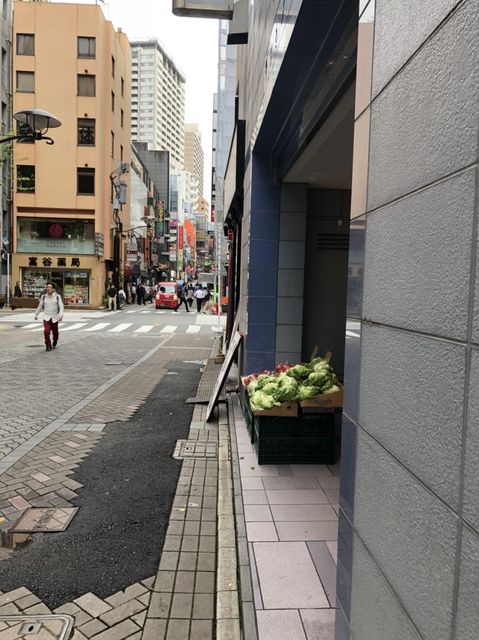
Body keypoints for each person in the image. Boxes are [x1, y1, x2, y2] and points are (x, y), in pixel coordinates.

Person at [34, 282, 64, 352]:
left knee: (55, 333)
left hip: (55, 317)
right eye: (47, 287)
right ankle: (48, 345)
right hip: (46, 317)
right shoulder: (44, 297)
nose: (48, 289)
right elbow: (40, 306)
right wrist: (36, 314)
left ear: (53, 289)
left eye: (50, 287)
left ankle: (55, 340)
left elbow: (61, 306)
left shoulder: (57, 296)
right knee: (46, 331)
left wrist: (60, 314)